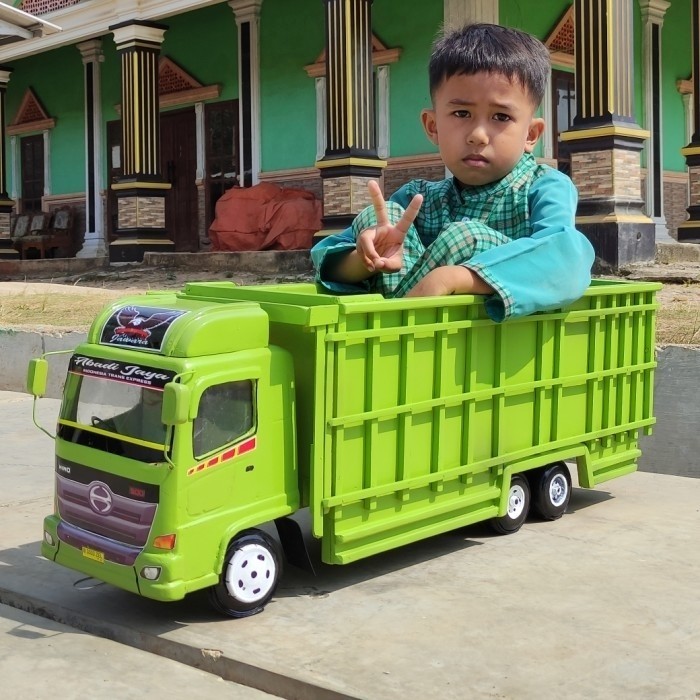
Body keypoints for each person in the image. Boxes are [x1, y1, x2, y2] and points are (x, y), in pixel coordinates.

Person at [311, 23, 595, 322]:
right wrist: (367, 257)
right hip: (412, 335)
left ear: (531, 134)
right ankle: (396, 326)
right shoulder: (417, 198)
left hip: (490, 341)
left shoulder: (544, 187)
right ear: (433, 126)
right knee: (376, 220)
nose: (478, 135)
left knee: (464, 237)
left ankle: (396, 325)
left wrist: (456, 278)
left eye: (501, 116)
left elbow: (565, 257)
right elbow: (328, 262)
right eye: (461, 114)